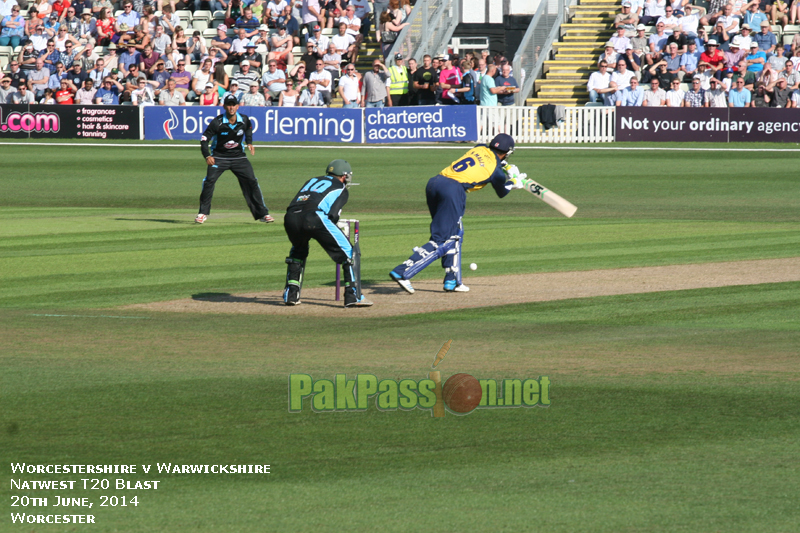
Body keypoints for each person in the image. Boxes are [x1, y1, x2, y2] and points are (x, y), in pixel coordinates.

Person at [389, 134, 524, 294]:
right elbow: (502, 191)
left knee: (456, 233)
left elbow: (484, 160)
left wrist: (504, 166)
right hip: (453, 191)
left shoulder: (480, 147)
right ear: (507, 152)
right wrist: (513, 181)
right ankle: (403, 271)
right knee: (442, 239)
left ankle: (452, 280)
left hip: (435, 183)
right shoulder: (496, 171)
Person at [282, 159, 372, 307]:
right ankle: (353, 296)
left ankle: (291, 295)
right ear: (344, 176)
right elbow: (333, 215)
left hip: (291, 217)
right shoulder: (341, 188)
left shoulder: (311, 180)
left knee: (298, 251)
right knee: (350, 253)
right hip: (314, 217)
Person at [197, 94, 273, 225]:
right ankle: (202, 213)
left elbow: (249, 128)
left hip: (239, 157)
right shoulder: (217, 122)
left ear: (237, 106)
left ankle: (263, 214)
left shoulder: (244, 119)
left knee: (252, 182)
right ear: (224, 106)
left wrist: (249, 142)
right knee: (209, 181)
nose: (231, 107)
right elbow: (204, 139)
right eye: (229, 105)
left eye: (233, 105)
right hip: (219, 157)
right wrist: (207, 155)